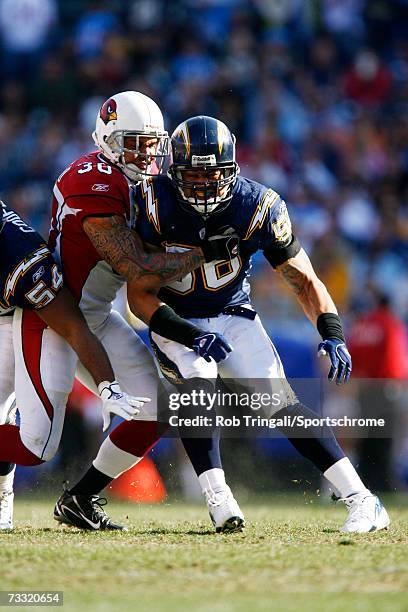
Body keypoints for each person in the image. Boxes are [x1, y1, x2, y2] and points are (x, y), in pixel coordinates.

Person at [66, 115, 390, 534]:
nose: (202, 185)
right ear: (174, 171)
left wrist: (331, 332)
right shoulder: (152, 204)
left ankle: (363, 499)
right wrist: (189, 333)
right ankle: (218, 496)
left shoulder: (257, 206)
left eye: (212, 174)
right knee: (196, 389)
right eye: (193, 174)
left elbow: (303, 278)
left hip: (234, 314)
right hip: (176, 317)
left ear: (233, 170)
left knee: (280, 402)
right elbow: (139, 294)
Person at [18, 90, 241, 533]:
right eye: (137, 143)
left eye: (153, 143)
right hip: (59, 318)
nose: (149, 153)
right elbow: (133, 265)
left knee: (155, 410)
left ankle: (79, 499)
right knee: (37, 441)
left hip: (96, 314)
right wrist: (204, 252)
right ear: (109, 136)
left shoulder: (135, 180)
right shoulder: (91, 180)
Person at [0, 202, 149, 530]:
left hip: (15, 319)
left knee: (33, 445)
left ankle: (9, 500)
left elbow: (73, 327)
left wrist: (106, 384)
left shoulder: (22, 262)